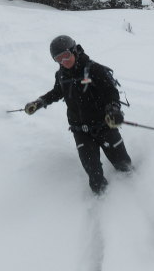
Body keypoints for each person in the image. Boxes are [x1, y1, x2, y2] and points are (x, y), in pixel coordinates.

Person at [25, 35, 132, 195]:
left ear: (74, 50)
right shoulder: (61, 75)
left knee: (124, 166)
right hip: (80, 131)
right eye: (58, 59)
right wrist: (40, 102)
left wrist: (113, 110)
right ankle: (103, 201)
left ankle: (133, 194)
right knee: (95, 179)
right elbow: (57, 92)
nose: (64, 61)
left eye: (66, 55)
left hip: (104, 126)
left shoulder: (94, 69)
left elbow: (111, 93)